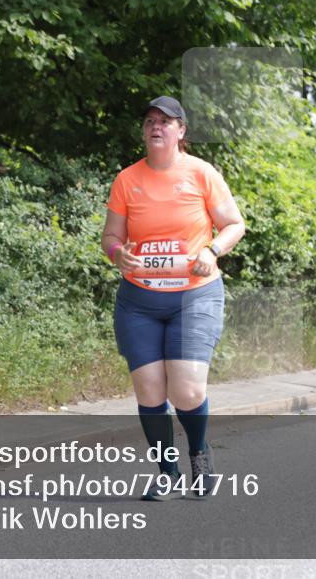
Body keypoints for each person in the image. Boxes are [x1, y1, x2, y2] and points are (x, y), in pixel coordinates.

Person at [101, 96, 246, 499]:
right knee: (149, 390)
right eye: (150, 120)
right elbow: (110, 237)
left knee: (186, 391)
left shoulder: (201, 174)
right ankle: (168, 472)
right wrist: (118, 254)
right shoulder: (127, 180)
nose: (156, 126)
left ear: (181, 131)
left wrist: (210, 251)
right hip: (140, 300)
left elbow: (234, 224)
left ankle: (199, 453)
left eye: (166, 121)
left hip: (194, 296)